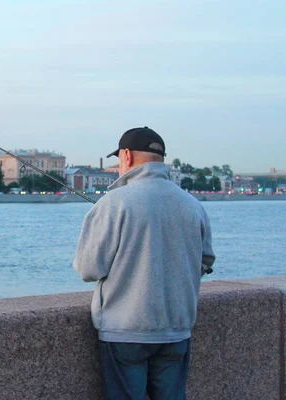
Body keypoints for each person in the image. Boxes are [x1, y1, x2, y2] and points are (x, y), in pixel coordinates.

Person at [73, 127, 216, 400]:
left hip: (125, 330)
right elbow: (206, 259)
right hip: (176, 329)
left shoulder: (112, 203)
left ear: (126, 156)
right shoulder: (192, 204)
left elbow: (88, 268)